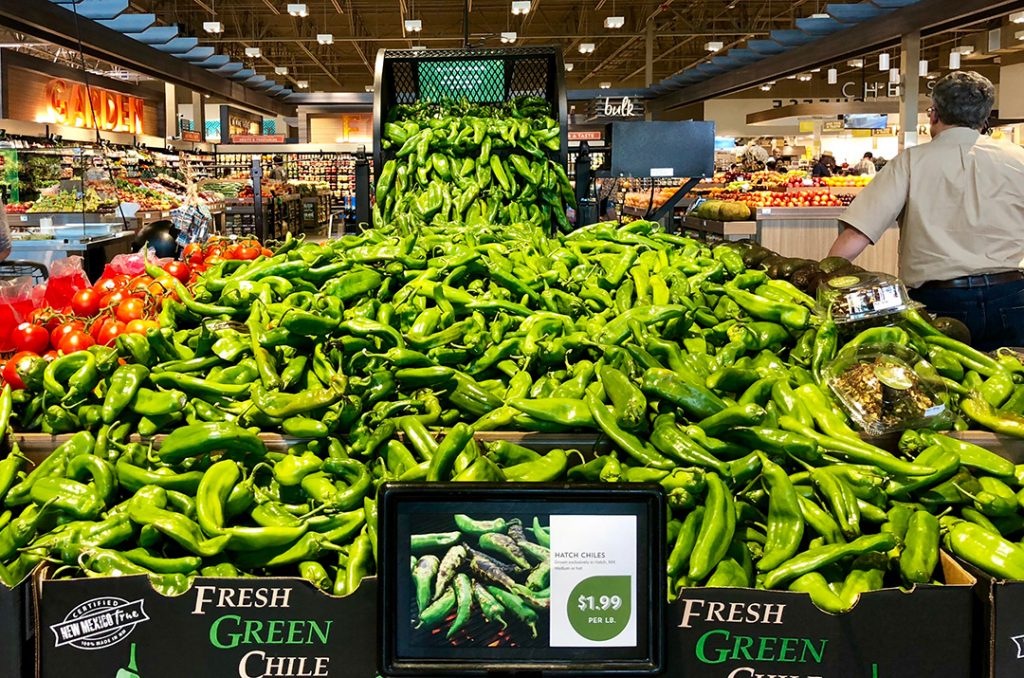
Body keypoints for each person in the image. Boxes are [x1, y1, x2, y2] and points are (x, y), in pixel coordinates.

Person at [827, 71, 1024, 350]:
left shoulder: (910, 163)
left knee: (942, 386)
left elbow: (858, 232)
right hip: (1013, 296)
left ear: (934, 115)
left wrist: (824, 281)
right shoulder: (1018, 159)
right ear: (984, 118)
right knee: (1013, 384)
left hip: (940, 302)